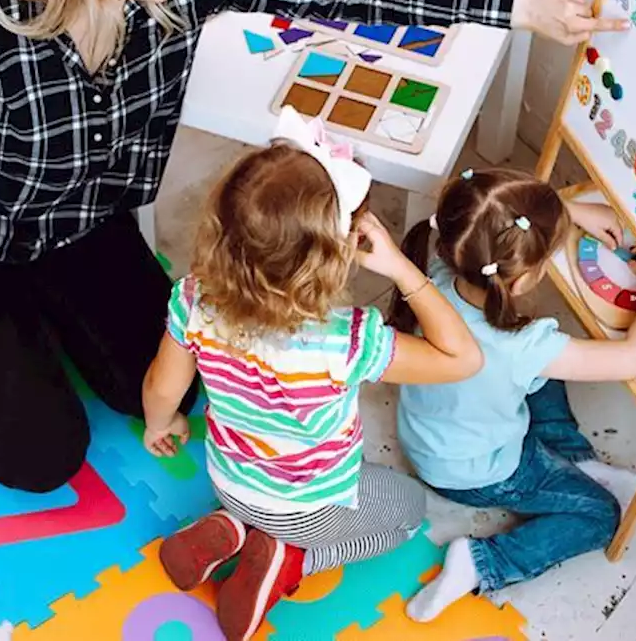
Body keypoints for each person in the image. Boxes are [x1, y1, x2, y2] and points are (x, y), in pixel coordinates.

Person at [0, 0, 627, 493]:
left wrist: (516, 10)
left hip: (82, 223)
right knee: (43, 460)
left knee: (165, 394)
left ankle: (40, 318)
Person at [139, 108, 484, 639]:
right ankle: (288, 562)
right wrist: (399, 267)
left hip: (229, 483)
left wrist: (160, 425)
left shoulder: (193, 298)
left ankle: (233, 528)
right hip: (310, 511)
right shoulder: (347, 341)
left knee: (279, 501)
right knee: (409, 510)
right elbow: (464, 359)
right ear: (336, 255)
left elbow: (163, 386)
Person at [386, 168, 636, 622]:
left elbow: (480, 218)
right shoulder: (523, 346)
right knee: (600, 516)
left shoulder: (436, 267)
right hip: (478, 473)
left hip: (432, 438)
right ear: (520, 281)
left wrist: (565, 213)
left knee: (548, 373)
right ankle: (482, 563)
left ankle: (576, 462)